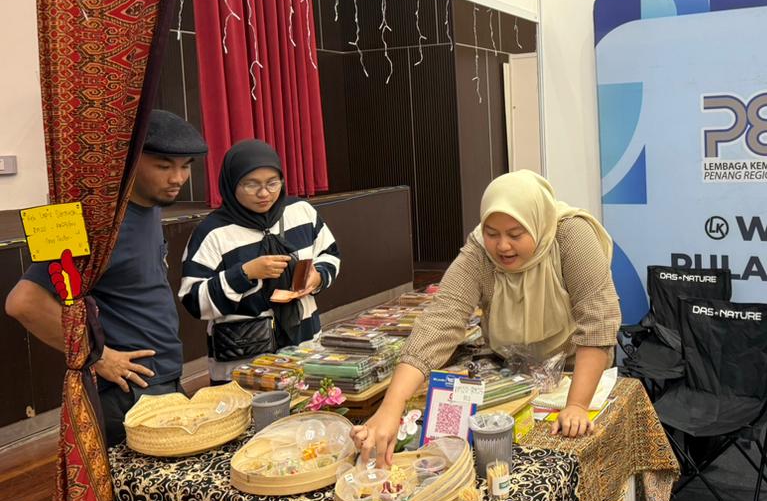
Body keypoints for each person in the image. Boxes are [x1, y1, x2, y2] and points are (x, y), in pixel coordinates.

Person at [351, 170, 620, 466]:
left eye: (515, 235)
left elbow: (598, 319)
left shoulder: (570, 235)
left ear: (539, 223)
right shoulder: (479, 252)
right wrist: (391, 405)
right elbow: (440, 320)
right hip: (511, 370)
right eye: (492, 233)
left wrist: (578, 405)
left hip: (572, 368)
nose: (502, 246)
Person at [5, 110, 208, 446]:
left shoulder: (151, 207)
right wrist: (97, 357)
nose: (178, 178)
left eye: (186, 166)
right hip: (126, 391)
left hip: (163, 377)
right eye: (163, 166)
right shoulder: (92, 220)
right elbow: (24, 302)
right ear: (130, 161)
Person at [179, 140, 341, 384]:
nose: (264, 193)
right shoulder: (212, 232)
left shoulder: (301, 212)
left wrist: (317, 276)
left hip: (305, 346)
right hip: (243, 364)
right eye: (251, 184)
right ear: (231, 183)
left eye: (272, 183)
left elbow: (330, 254)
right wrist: (245, 274)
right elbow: (193, 300)